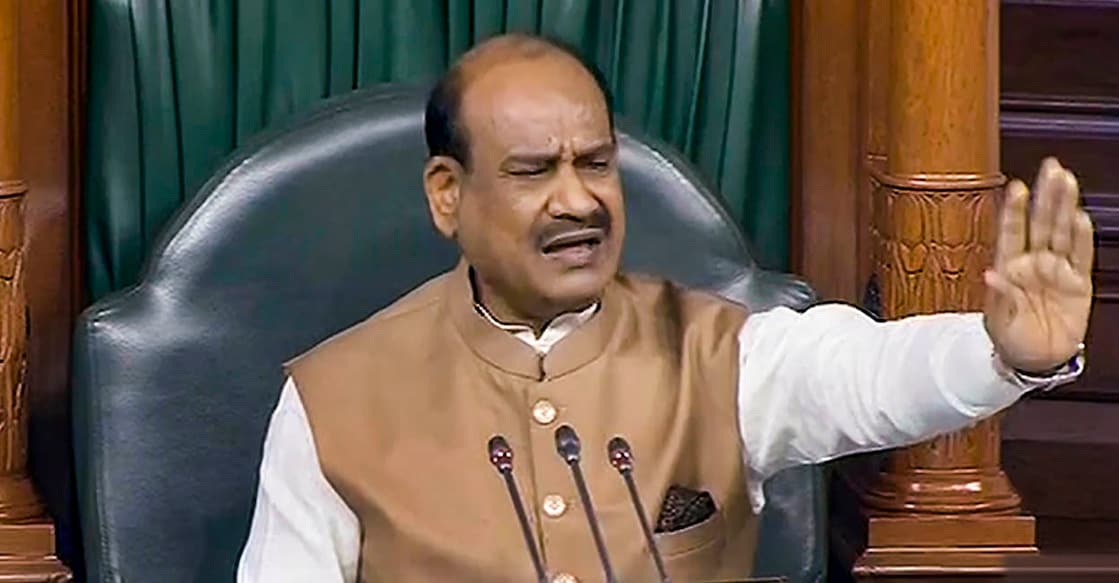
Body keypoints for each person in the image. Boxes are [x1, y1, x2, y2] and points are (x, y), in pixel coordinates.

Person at [236, 34, 1094, 583]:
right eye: (535, 171)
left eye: (597, 163)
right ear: (446, 194)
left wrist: (1002, 351)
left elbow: (865, 374)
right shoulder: (332, 401)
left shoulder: (719, 352)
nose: (578, 201)